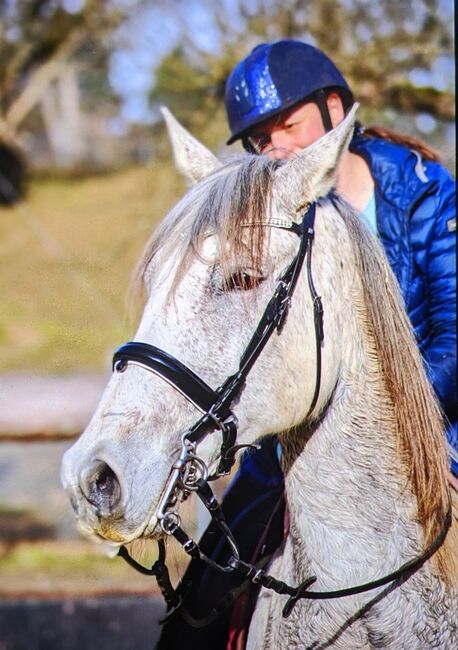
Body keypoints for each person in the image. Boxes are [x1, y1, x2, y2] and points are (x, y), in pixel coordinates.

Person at [157, 39, 457, 649]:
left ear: (334, 107)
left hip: (438, 427)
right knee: (198, 607)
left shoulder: (426, 193)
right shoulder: (270, 222)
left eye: (287, 125)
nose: (276, 149)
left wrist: (384, 424)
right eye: (260, 140)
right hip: (293, 448)